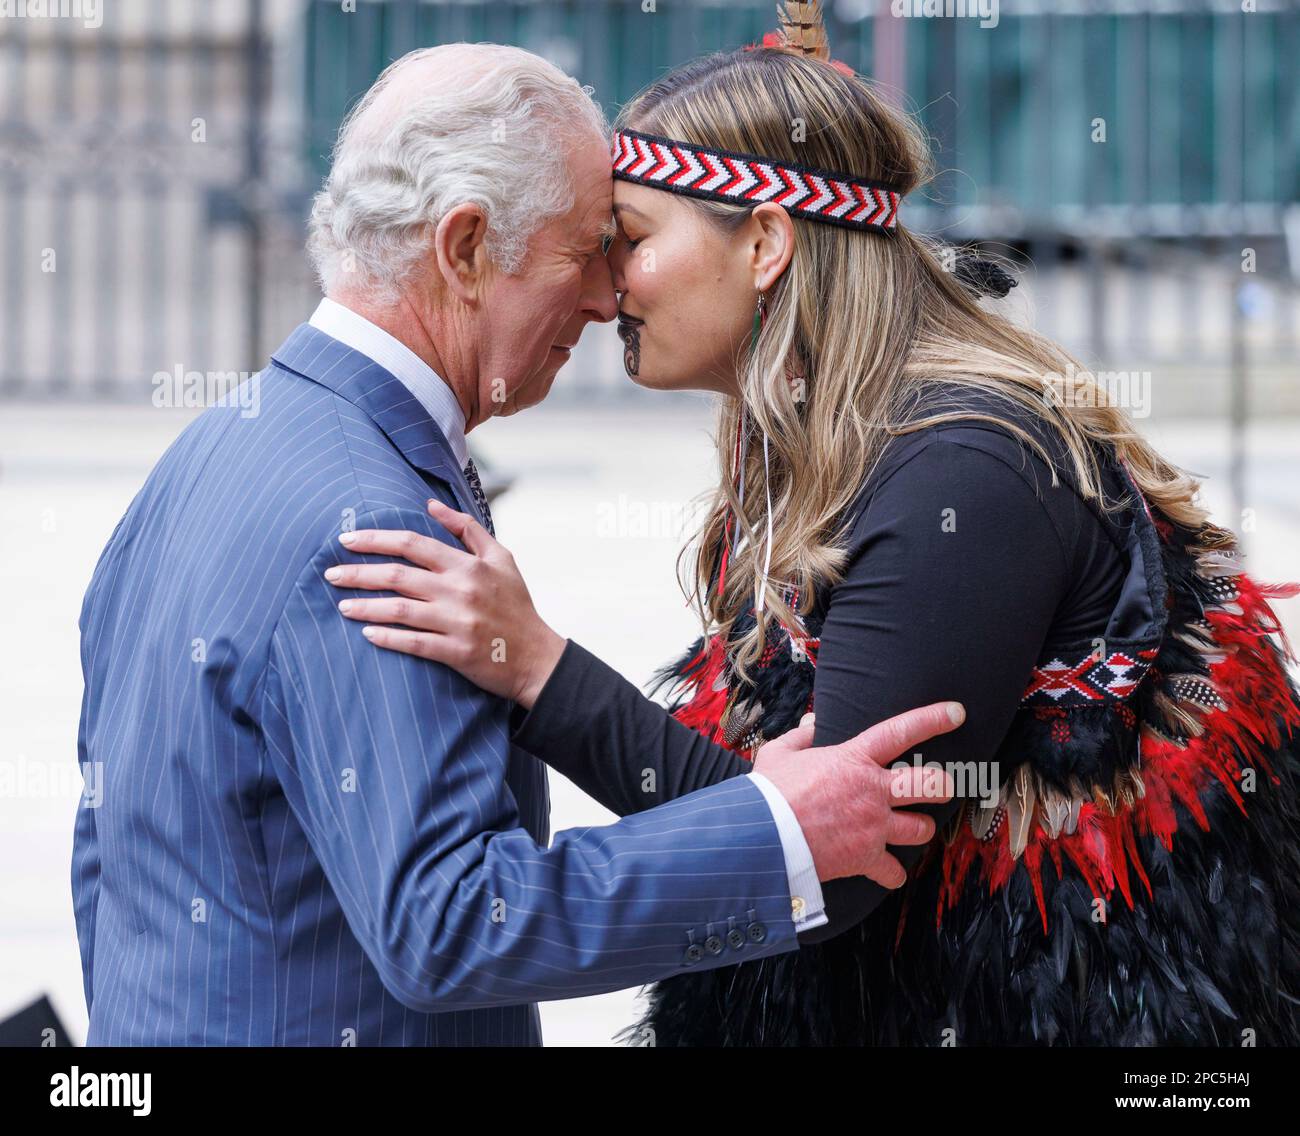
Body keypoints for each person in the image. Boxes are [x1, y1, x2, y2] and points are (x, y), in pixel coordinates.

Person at [330, 11, 1300, 1045]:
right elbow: (782, 812)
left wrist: (537, 669)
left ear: (762, 242)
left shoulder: (963, 474)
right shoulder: (816, 438)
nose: (606, 285)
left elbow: (826, 858)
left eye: (634, 238)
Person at [70, 42, 963, 1047]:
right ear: (463, 247)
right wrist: (772, 833)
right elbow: (448, 923)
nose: (601, 298)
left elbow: (108, 848)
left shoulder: (213, 447)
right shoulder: (371, 520)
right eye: (585, 248)